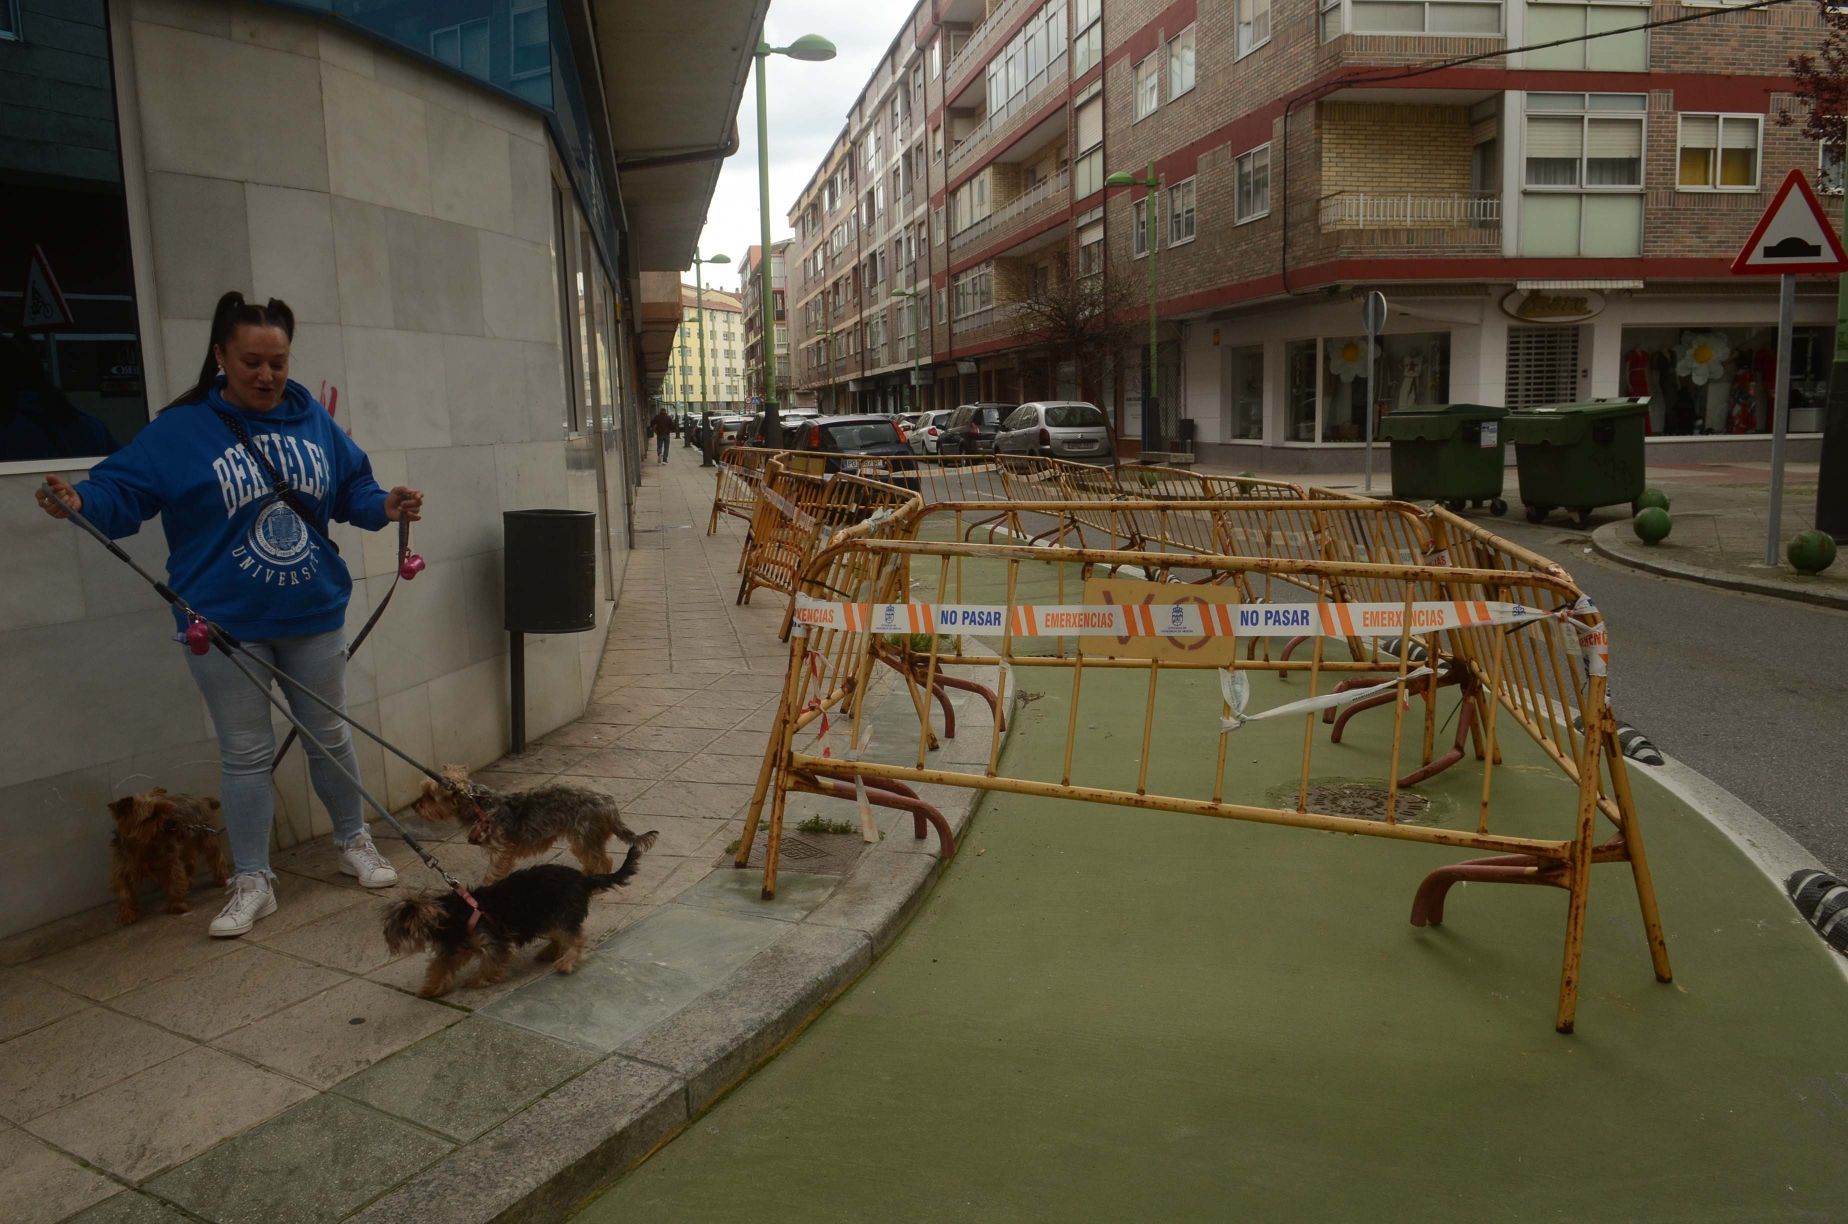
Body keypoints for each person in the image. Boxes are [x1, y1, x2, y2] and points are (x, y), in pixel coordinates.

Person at [35, 291, 424, 938]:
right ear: (220, 356)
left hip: (312, 611)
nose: (267, 375)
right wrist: (81, 498)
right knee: (245, 751)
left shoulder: (312, 421)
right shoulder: (179, 430)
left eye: (277, 361)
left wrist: (385, 505)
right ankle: (252, 878)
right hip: (221, 622)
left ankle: (354, 840)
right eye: (251, 362)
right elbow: (120, 489)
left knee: (329, 734)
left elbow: (353, 486)